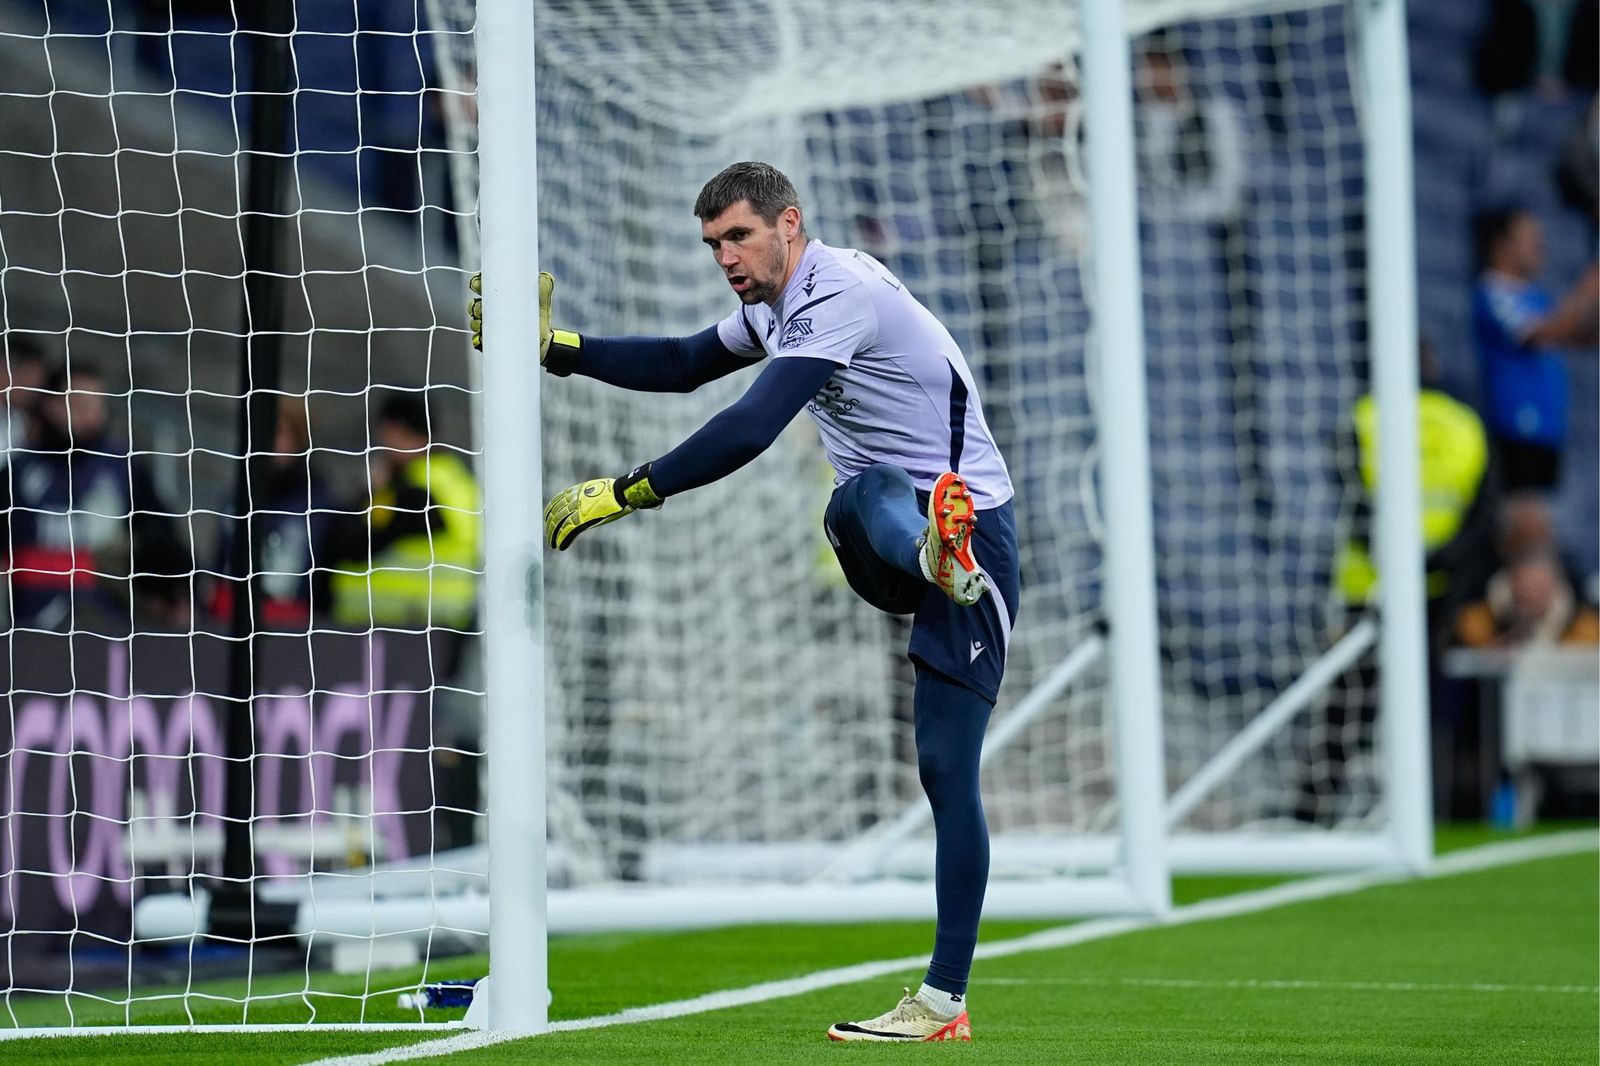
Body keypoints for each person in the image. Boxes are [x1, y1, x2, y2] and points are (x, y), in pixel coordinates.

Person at [471, 161, 1017, 1042]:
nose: (725, 255)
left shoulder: (836, 292)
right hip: (904, 544)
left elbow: (752, 424)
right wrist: (554, 349)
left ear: (789, 224)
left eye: (739, 236)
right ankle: (924, 550)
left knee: (947, 769)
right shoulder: (776, 303)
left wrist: (631, 488)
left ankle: (943, 1003)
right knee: (861, 492)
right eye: (713, 243)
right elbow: (688, 362)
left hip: (977, 534)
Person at [1, 364, 180, 632]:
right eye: (79, 403)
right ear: (51, 405)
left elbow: (164, 541)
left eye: (98, 405)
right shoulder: (18, 473)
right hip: (31, 632)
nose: (91, 414)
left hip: (111, 629)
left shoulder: (126, 468)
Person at [326, 393, 481, 631]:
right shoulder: (455, 480)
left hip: (407, 623)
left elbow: (355, 544)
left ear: (395, 430)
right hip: (444, 618)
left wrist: (369, 493)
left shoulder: (412, 491)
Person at [1471, 208, 1598, 497]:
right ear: (1501, 245)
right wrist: (1590, 286)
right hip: (1518, 426)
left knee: (1541, 510)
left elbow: (1575, 335)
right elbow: (1540, 334)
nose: (1540, 245)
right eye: (1529, 238)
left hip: (1548, 428)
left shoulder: (1537, 297)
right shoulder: (1494, 292)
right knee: (1524, 515)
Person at [207, 397, 335, 631]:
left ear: (298, 440)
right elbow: (220, 560)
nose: (270, 443)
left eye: (278, 434)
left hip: (290, 622)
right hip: (230, 617)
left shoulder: (316, 501)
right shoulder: (237, 497)